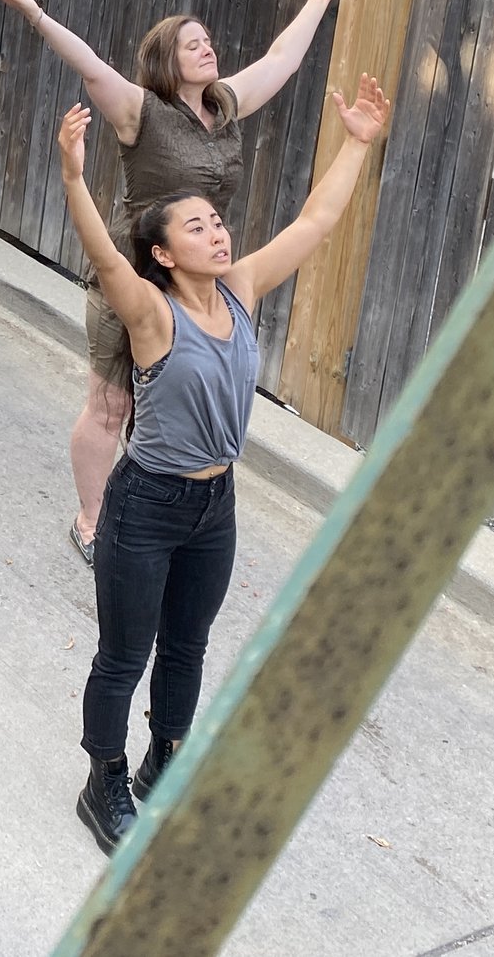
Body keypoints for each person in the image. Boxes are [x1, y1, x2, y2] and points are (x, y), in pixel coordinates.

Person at [58, 74, 389, 853]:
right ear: (166, 253)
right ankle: (101, 779)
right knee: (123, 654)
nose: (219, 234)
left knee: (188, 647)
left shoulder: (240, 289)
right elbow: (106, 257)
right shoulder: (149, 310)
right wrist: (74, 175)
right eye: (198, 227)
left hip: (215, 506)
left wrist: (356, 144)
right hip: (144, 503)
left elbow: (316, 220)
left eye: (218, 221)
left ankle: (162, 763)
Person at [0, 0, 346, 564]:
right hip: (133, 272)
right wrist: (36, 16)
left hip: (196, 279)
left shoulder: (226, 105)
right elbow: (92, 66)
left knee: (167, 406)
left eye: (208, 41)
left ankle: (156, 512)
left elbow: (281, 59)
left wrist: (319, 4)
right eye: (191, 44)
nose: (207, 48)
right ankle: (93, 520)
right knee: (110, 402)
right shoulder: (139, 111)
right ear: (166, 61)